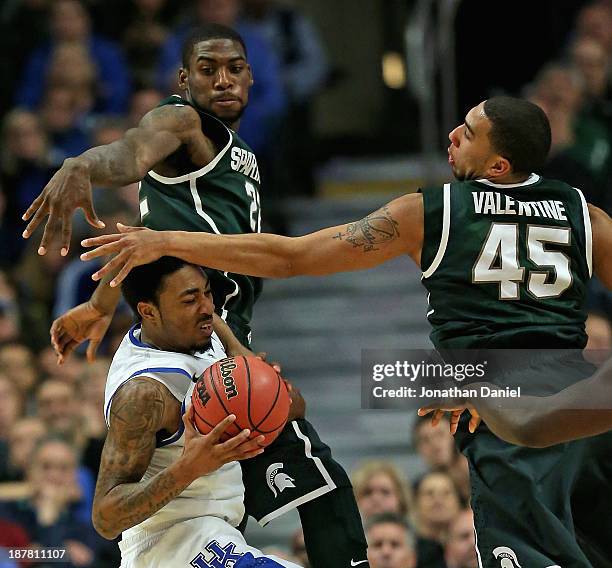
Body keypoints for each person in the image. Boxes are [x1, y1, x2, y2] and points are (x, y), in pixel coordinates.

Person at [74, 97, 612, 567]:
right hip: (582, 402)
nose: (452, 135)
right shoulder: (587, 215)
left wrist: (168, 241)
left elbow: (292, 257)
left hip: (505, 411)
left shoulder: (432, 211)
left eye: (467, 133)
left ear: (497, 164)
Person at [24, 24, 369, 568]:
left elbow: (148, 244)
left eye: (234, 68)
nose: (224, 80)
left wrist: (98, 305)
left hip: (217, 339)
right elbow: (130, 154)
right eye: (208, 70)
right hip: (198, 343)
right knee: (321, 483)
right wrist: (84, 164)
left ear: (252, 77)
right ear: (184, 79)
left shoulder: (239, 153)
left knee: (311, 464)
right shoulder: (181, 122)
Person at [93, 255, 300, 567]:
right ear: (149, 311)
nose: (206, 307)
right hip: (168, 545)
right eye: (190, 299)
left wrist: (240, 353)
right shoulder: (144, 394)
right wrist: (189, 467)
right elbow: (106, 519)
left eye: (207, 293)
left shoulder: (194, 329)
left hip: (214, 533)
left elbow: (296, 406)